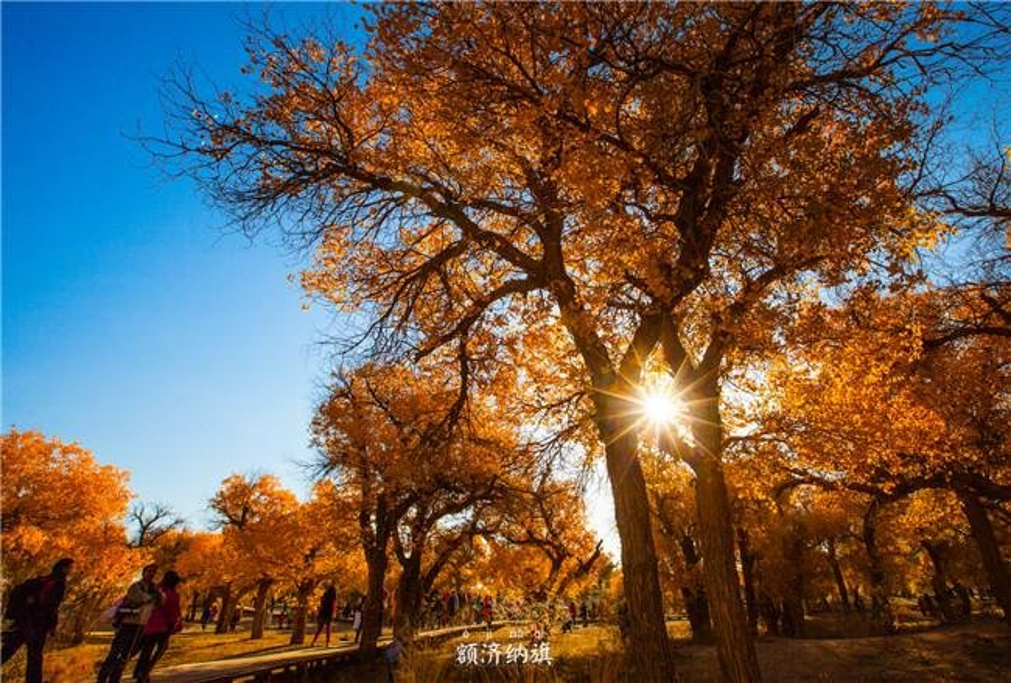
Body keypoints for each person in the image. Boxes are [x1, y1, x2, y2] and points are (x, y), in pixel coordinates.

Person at [1, 557, 74, 683]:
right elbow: (52, 605)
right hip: (38, 624)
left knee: (9, 649)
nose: (72, 570)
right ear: (64, 568)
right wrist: (52, 625)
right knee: (35, 656)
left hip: (24, 620)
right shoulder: (58, 582)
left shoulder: (44, 579)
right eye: (70, 568)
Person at [97, 564, 161, 683]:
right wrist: (153, 596)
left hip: (141, 625)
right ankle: (102, 677)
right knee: (115, 652)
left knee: (126, 655)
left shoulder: (154, 588)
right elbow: (142, 598)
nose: (151, 574)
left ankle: (115, 678)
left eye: (154, 572)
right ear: (143, 573)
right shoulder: (136, 586)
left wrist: (157, 593)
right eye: (149, 571)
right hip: (128, 623)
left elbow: (160, 602)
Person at [131, 570, 183, 683]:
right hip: (163, 627)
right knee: (160, 649)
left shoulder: (156, 589)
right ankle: (144, 672)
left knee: (146, 650)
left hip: (148, 624)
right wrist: (176, 624)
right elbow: (173, 612)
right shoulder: (172, 594)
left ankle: (140, 673)